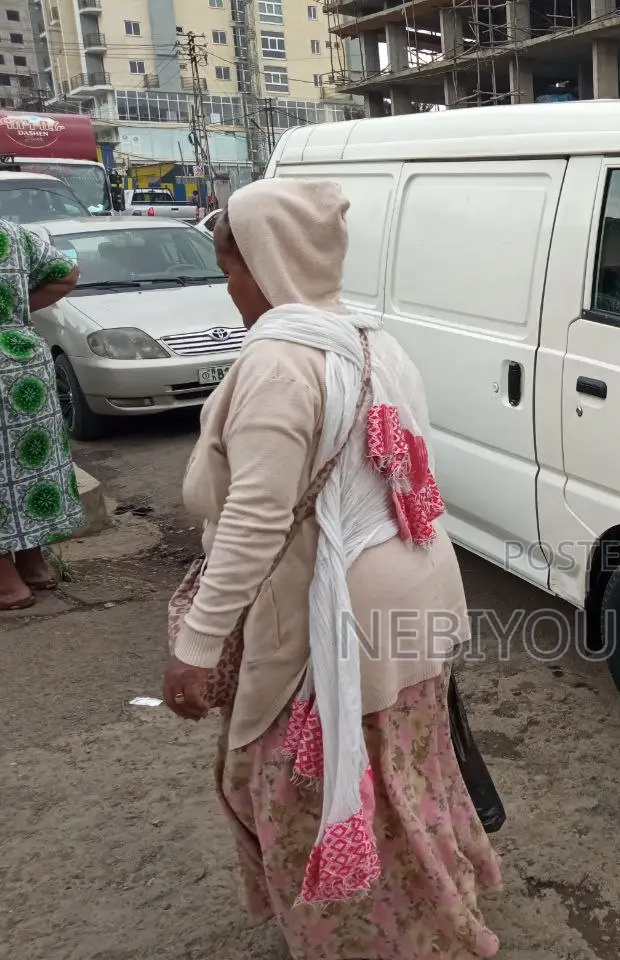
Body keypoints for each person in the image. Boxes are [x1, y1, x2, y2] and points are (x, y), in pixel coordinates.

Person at [162, 178, 502, 959]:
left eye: (232, 267)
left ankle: (367, 939)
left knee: (305, 784)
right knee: (401, 770)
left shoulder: (282, 364)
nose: (229, 287)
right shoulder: (374, 339)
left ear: (265, 260)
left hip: (335, 620)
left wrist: (198, 643)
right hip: (414, 587)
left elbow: (255, 519)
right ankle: (435, 916)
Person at [0, 218, 81, 609]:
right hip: (20, 359)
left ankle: (6, 585)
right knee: (25, 465)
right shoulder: (11, 232)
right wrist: (15, 308)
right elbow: (67, 273)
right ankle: (33, 566)